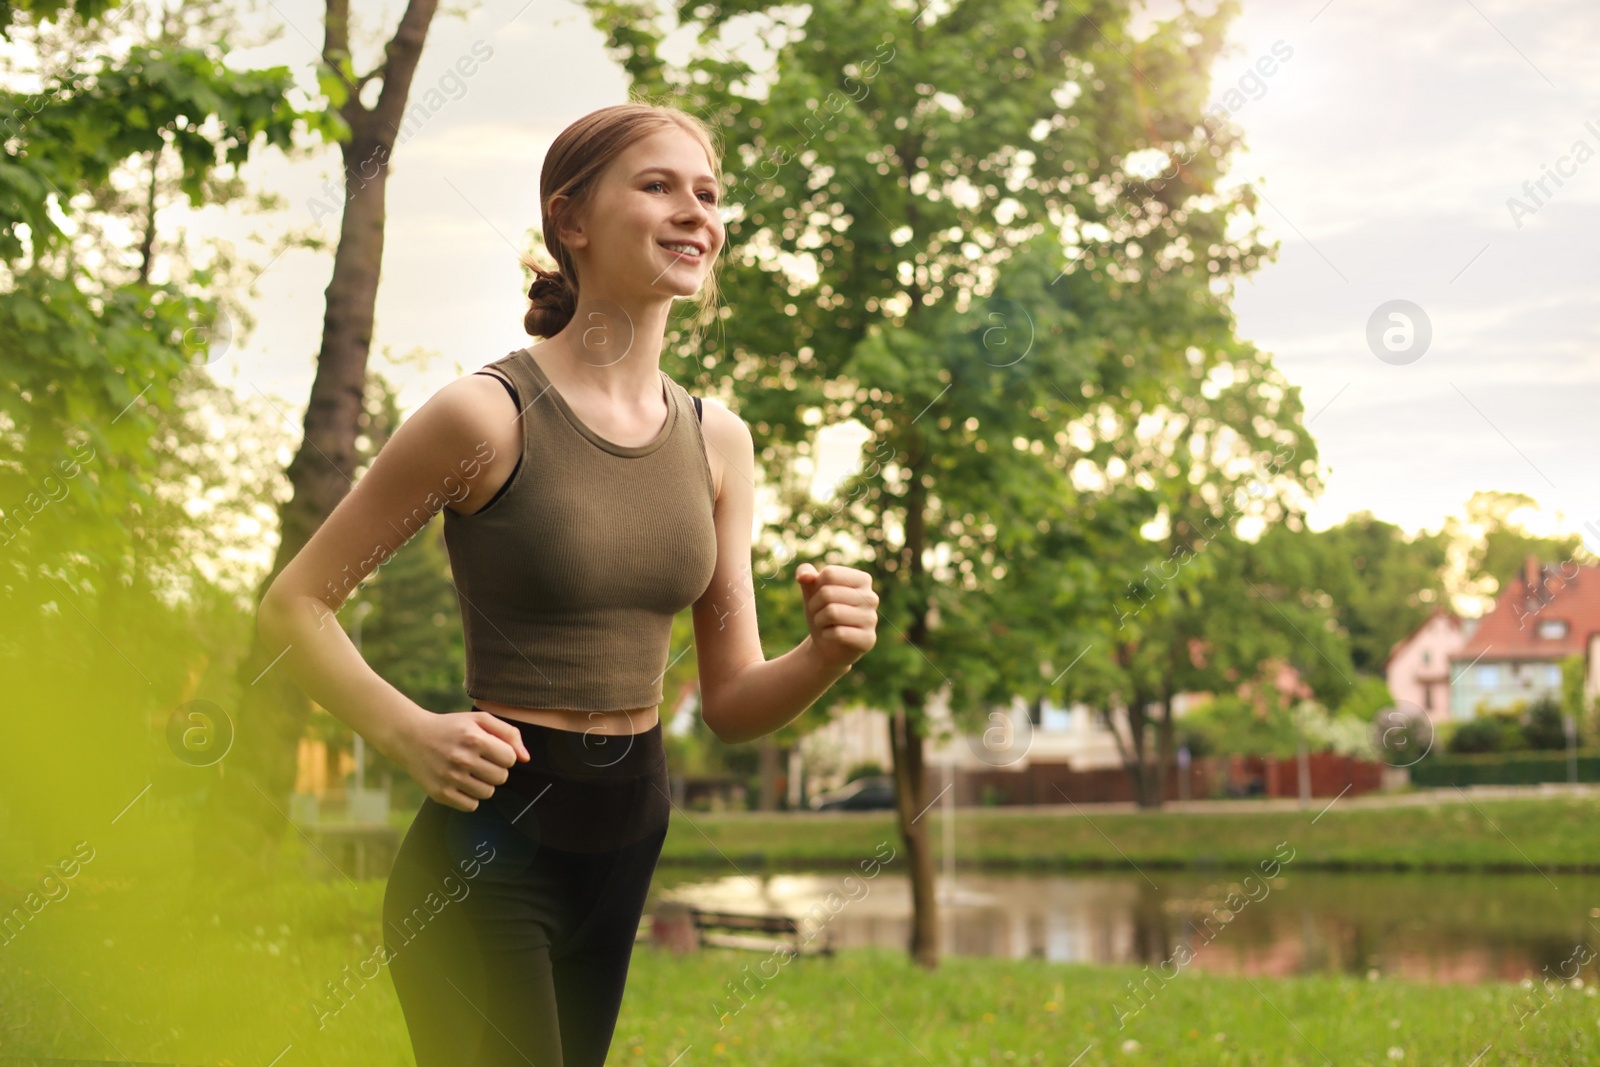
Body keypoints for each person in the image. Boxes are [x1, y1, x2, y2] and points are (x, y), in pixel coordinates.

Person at [255, 101, 879, 1066]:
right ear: (571, 220)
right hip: (487, 852)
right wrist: (409, 731)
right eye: (659, 185)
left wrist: (827, 655)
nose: (694, 213)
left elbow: (733, 702)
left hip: (627, 840)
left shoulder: (718, 441)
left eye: (708, 194)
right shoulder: (486, 416)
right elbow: (294, 604)